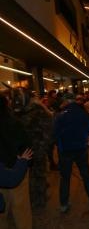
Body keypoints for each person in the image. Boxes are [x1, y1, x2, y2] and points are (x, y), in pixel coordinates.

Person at [53, 94, 89, 213]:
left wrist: (60, 145)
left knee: (65, 178)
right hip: (81, 150)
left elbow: (55, 135)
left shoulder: (60, 116)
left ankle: (63, 204)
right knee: (86, 175)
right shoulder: (85, 114)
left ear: (66, 101)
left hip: (65, 151)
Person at [12, 88, 53, 210]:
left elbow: (47, 131)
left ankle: (39, 201)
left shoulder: (38, 110)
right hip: (25, 150)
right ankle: (34, 200)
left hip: (37, 149)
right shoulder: (23, 110)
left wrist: (42, 148)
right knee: (30, 177)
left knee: (38, 176)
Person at [0, 92, 32, 229]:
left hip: (1, 174)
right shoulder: (14, 122)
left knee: (2, 210)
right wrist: (26, 162)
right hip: (17, 167)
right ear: (6, 104)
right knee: (21, 208)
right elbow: (26, 145)